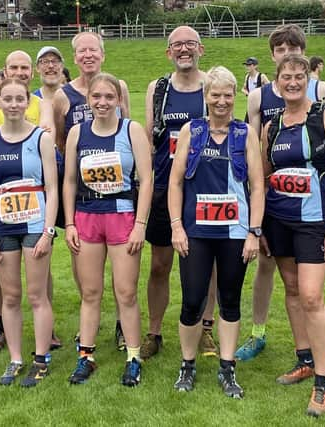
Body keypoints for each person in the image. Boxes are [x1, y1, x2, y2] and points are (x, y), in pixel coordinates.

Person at [237, 23, 325, 363]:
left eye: (294, 52)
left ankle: (312, 355)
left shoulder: (323, 93)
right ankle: (258, 332)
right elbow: (254, 154)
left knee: (306, 289)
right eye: (281, 52)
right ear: (273, 59)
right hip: (274, 204)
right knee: (267, 268)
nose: (288, 58)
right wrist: (256, 213)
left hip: (310, 208)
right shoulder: (257, 97)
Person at [262, 55, 325, 416]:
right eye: (287, 77)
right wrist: (262, 227)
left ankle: (323, 383)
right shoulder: (272, 126)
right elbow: (264, 177)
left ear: (309, 79)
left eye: (299, 76)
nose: (293, 82)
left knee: (313, 297)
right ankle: (305, 360)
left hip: (316, 221)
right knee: (293, 289)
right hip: (279, 219)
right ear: (277, 83)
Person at [169, 66, 264, 398]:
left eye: (227, 94)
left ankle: (227, 369)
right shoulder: (191, 131)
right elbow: (176, 181)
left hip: (234, 232)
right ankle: (188, 365)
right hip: (195, 231)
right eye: (215, 95)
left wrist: (254, 232)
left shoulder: (245, 133)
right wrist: (176, 227)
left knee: (229, 299)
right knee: (193, 300)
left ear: (234, 95)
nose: (221, 101)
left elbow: (256, 186)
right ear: (205, 96)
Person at [63, 72, 152, 386]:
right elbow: (70, 180)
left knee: (125, 292)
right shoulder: (77, 132)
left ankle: (133, 356)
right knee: (90, 292)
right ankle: (85, 356)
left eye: (108, 97)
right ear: (88, 100)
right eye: (96, 97)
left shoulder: (132, 130)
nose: (102, 102)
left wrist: (141, 224)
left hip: (122, 215)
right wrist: (70, 221)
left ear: (118, 100)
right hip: (87, 215)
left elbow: (146, 179)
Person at [141, 25, 219, 361]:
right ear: (168, 52)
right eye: (177, 45)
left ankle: (206, 328)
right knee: (160, 264)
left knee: (210, 263)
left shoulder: (212, 87)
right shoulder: (157, 89)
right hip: (163, 187)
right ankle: (154, 331)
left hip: (205, 187)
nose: (183, 49)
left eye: (189, 44)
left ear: (201, 48)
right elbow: (147, 139)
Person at [53, 31, 131, 350]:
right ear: (74, 58)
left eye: (93, 50)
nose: (88, 55)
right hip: (83, 194)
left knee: (123, 271)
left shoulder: (119, 87)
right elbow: (60, 139)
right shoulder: (63, 95)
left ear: (103, 54)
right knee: (84, 264)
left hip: (118, 196)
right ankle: (91, 320)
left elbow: (127, 131)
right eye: (82, 50)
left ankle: (121, 325)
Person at [0, 78, 58, 387]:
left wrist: (49, 231)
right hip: (3, 226)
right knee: (10, 296)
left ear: (28, 103)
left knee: (37, 295)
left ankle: (41, 358)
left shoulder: (42, 137)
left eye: (18, 99)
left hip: (36, 224)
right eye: (7, 99)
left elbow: (51, 187)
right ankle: (15, 359)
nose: (13, 104)